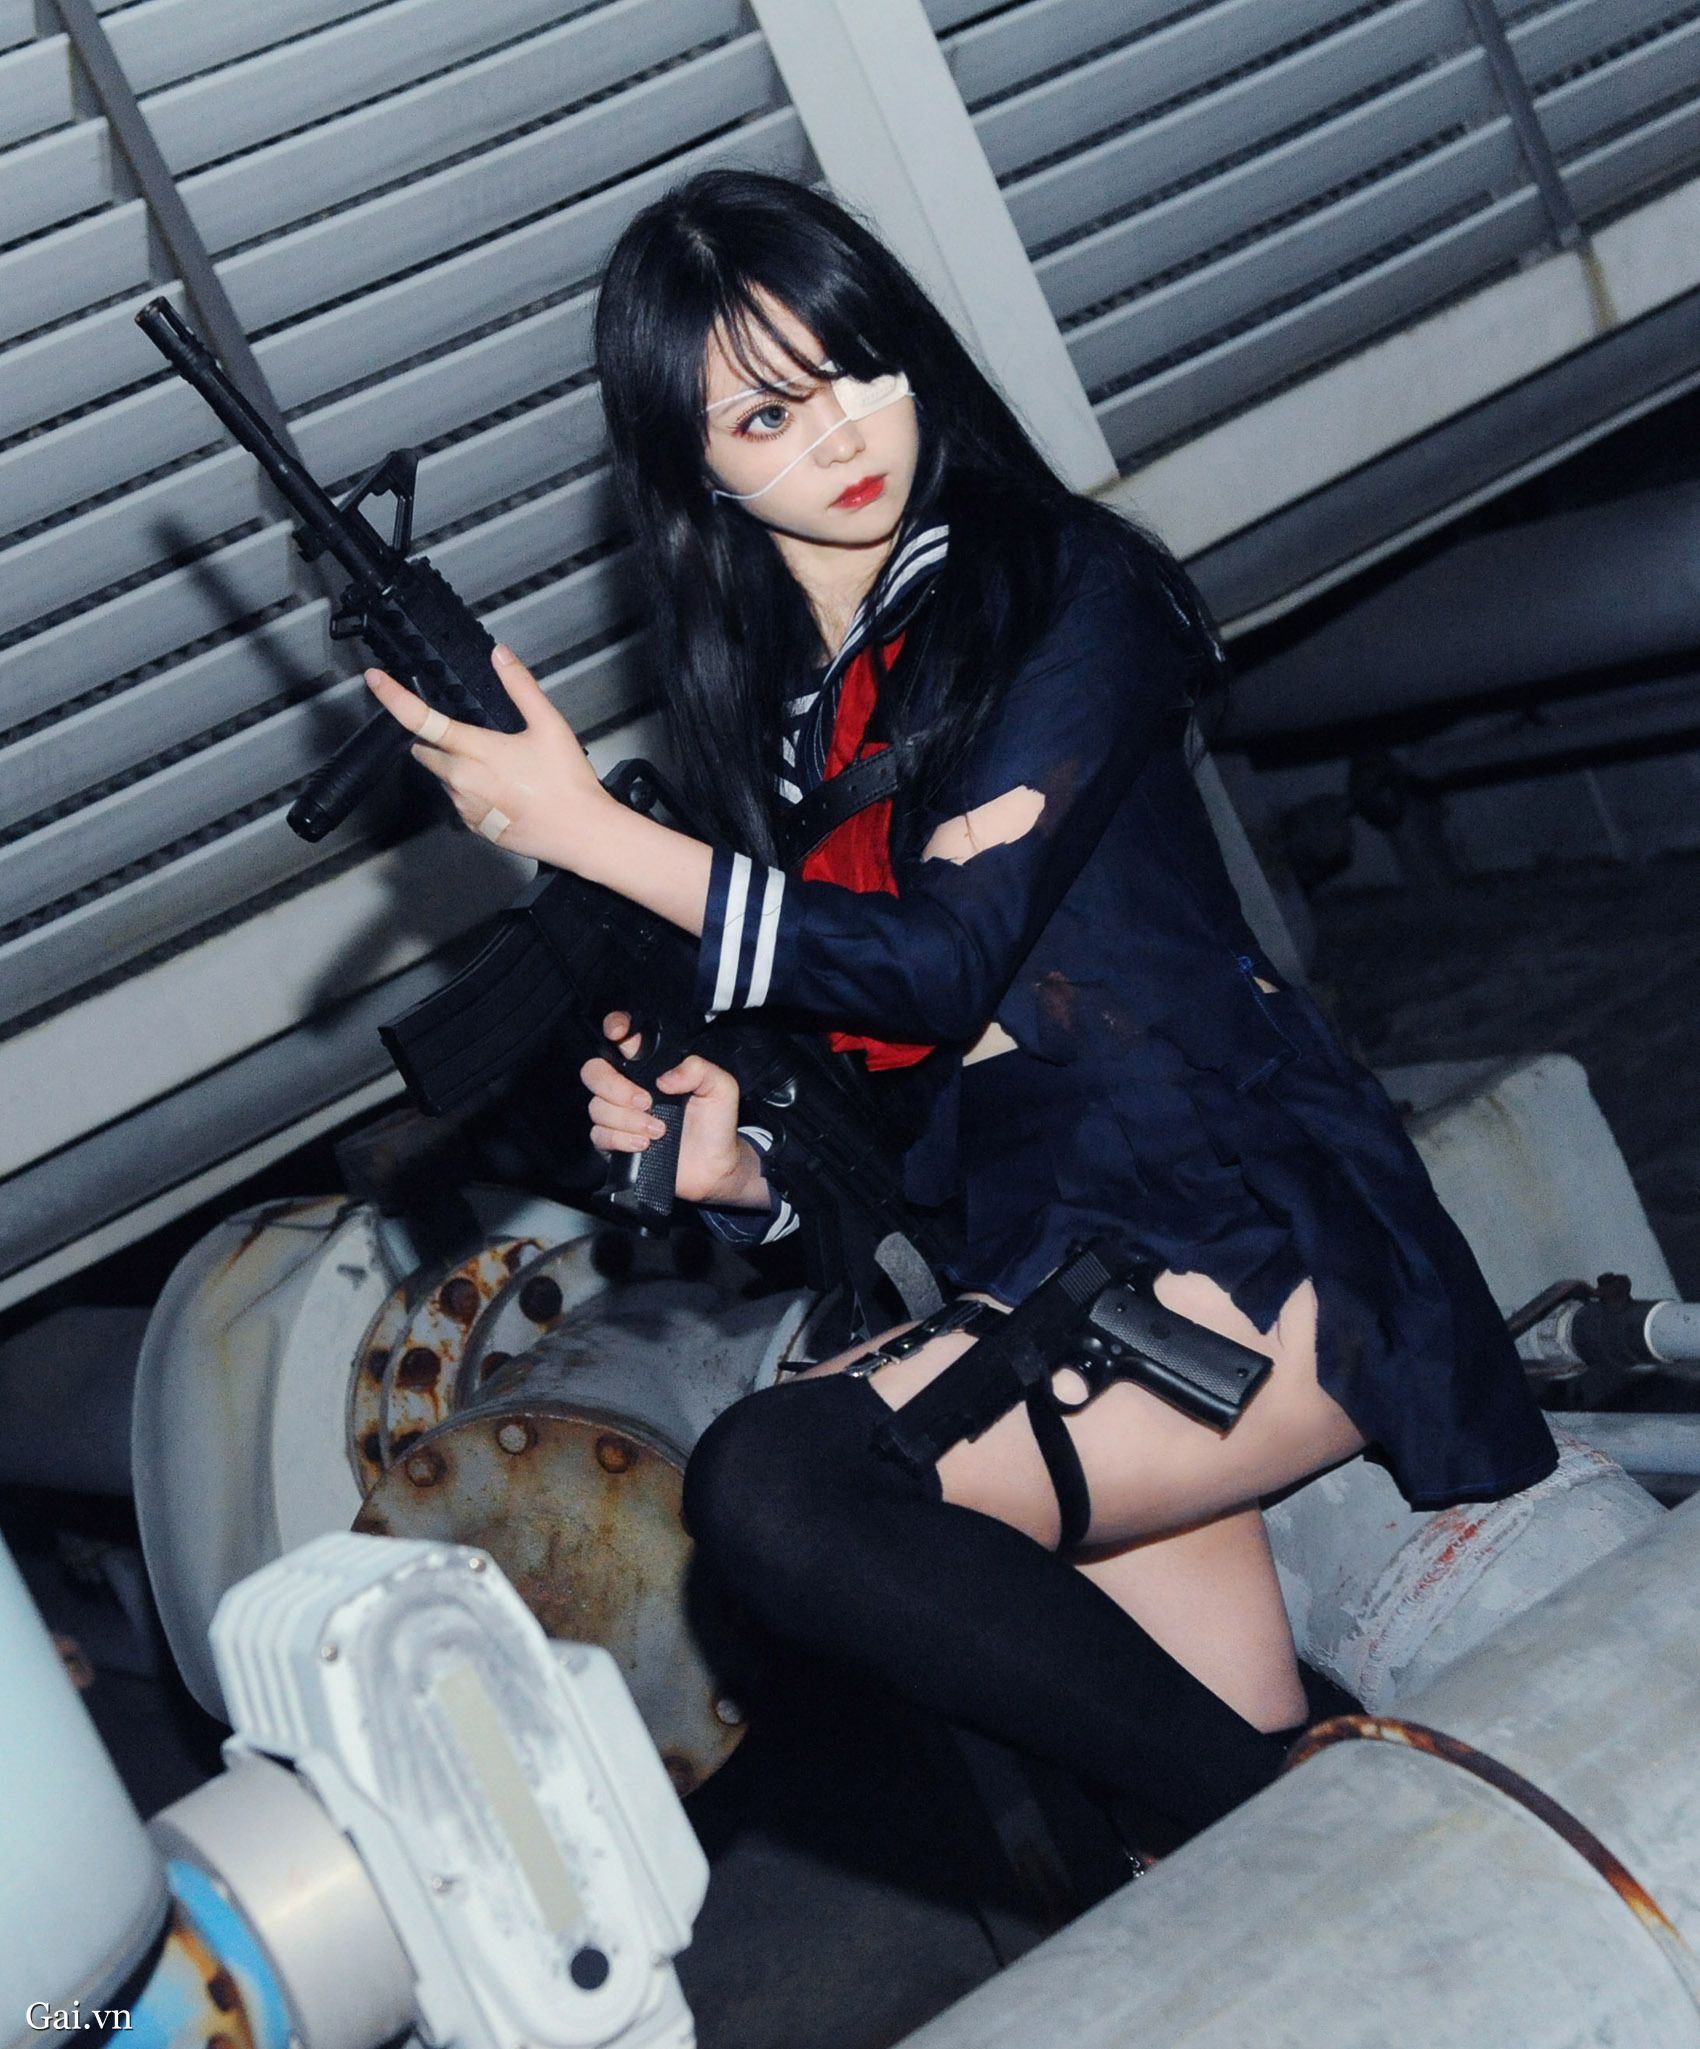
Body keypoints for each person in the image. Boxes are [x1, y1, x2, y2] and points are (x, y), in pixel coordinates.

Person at [365, 169, 1557, 1843]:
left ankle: (1308, 1806)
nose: (843, 433)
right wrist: (744, 1169)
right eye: (766, 416)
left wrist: (590, 832)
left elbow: (938, 960)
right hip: (1056, 1262)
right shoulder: (790, 738)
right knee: (1216, 1856)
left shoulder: (1066, 588)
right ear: (695, 473)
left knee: (779, 1485)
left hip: (1254, 1237)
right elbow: (905, 1116)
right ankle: (1309, 1829)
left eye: (857, 366)